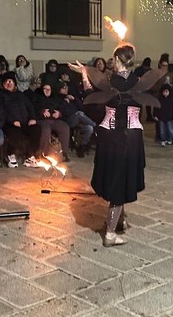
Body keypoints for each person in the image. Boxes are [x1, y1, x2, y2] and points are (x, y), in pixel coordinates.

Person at [69, 43, 163, 247]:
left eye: (113, 59)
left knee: (118, 181)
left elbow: (90, 99)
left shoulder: (109, 82)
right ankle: (114, 228)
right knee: (121, 180)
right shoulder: (138, 82)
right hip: (130, 137)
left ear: (118, 60)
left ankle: (114, 228)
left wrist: (84, 73)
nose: (111, 62)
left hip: (112, 138)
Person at [0, 71, 40, 168]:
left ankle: (30, 156)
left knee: (36, 130)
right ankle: (11, 155)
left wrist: (32, 118)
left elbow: (30, 106)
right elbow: (1, 111)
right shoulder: (0, 95)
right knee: (14, 133)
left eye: (11, 81)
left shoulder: (20, 94)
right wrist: (12, 121)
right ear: (3, 84)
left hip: (25, 121)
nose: (9, 84)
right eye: (6, 82)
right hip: (9, 123)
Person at [57, 80, 95, 158]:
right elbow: (61, 112)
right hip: (67, 120)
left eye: (66, 87)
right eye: (64, 88)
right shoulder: (58, 98)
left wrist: (75, 99)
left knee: (89, 128)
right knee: (79, 114)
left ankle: (81, 146)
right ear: (59, 89)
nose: (66, 89)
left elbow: (82, 108)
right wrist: (65, 102)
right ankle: (96, 126)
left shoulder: (71, 97)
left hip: (78, 119)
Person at [35, 82, 70, 164]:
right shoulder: (37, 97)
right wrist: (42, 111)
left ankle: (63, 153)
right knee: (46, 129)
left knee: (65, 127)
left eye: (49, 89)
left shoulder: (55, 98)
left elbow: (61, 109)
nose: (47, 91)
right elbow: (33, 108)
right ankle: (44, 154)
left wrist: (59, 113)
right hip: (42, 120)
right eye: (45, 89)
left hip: (53, 120)